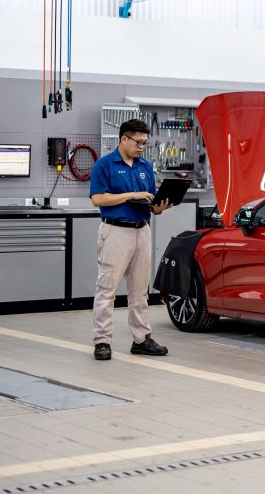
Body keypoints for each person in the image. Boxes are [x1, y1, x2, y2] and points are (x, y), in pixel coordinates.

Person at [89, 118, 173, 360]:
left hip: (142, 231)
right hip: (115, 232)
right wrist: (131, 195)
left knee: (139, 291)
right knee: (107, 290)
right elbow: (98, 199)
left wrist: (159, 207)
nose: (141, 147)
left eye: (145, 143)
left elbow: (150, 201)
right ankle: (102, 341)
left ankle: (141, 339)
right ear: (124, 139)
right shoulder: (104, 165)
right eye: (138, 142)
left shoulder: (145, 166)